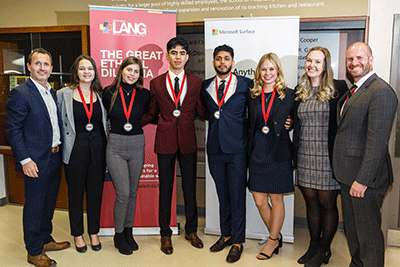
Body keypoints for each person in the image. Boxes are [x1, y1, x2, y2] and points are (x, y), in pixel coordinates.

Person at [333, 42, 398, 267]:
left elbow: (377, 144)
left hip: (364, 181)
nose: (354, 63)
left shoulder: (380, 92)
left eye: (359, 58)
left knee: (368, 237)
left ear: (371, 59)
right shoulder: (356, 90)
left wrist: (362, 180)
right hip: (349, 177)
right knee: (355, 234)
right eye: (350, 59)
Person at [6, 48, 70, 267]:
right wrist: (25, 160)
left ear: (51, 69)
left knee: (48, 203)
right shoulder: (21, 93)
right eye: (37, 64)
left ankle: (45, 239)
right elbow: (13, 129)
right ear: (29, 67)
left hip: (53, 157)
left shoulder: (50, 91)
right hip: (34, 161)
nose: (42, 68)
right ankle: (34, 251)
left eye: (46, 64)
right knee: (34, 206)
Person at [142, 37, 206, 255]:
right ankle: (165, 234)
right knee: (165, 190)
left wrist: (222, 115)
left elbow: (201, 110)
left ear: (187, 57)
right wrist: (129, 122)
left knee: (189, 189)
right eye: (174, 52)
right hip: (165, 142)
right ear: (167, 55)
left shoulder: (196, 82)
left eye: (182, 53)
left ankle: (191, 230)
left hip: (188, 141)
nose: (178, 57)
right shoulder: (156, 82)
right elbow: (152, 112)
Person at [292, 47, 348, 267]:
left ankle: (325, 250)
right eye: (309, 60)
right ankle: (314, 245)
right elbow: (293, 119)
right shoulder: (300, 90)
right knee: (311, 203)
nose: (312, 65)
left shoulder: (339, 88)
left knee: (327, 203)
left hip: (328, 157)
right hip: (305, 154)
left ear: (325, 66)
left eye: (317, 62)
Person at [201, 44, 253, 263]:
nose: (222, 62)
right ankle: (226, 234)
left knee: (237, 196)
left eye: (227, 58)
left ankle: (238, 242)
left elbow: (255, 115)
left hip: (237, 150)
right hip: (215, 149)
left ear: (233, 61)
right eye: (219, 58)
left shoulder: (246, 84)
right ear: (214, 62)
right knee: (223, 196)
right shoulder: (205, 86)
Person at [57, 55, 107, 253]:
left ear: (95, 72)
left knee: (95, 194)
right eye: (82, 68)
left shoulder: (100, 94)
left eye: (90, 68)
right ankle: (78, 234)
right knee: (75, 195)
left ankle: (93, 232)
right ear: (76, 72)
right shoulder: (63, 94)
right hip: (75, 150)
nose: (87, 72)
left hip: (98, 150)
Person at [248, 53, 295, 260]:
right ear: (259, 72)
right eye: (264, 69)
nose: (267, 73)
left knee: (276, 199)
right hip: (257, 151)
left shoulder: (289, 95)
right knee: (259, 200)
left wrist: (291, 123)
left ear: (278, 72)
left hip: (279, 152)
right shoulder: (252, 95)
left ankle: (272, 240)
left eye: (271, 69)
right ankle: (276, 236)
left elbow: (298, 120)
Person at [102, 56, 150, 255]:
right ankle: (118, 234)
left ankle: (128, 232)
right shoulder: (109, 92)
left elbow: (149, 115)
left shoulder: (145, 94)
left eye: (136, 71)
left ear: (140, 75)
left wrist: (135, 124)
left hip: (137, 144)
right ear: (121, 70)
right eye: (129, 70)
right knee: (122, 193)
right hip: (115, 146)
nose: (132, 74)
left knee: (132, 192)